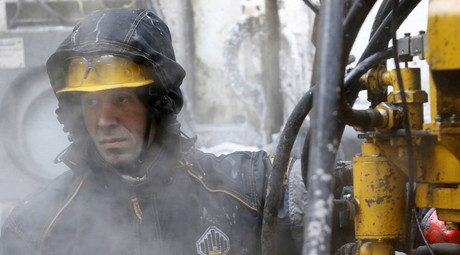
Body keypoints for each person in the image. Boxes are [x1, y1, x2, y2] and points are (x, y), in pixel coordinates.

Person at [0, 8, 307, 255]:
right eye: (91, 102)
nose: (104, 119)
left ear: (158, 105)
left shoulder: (248, 190)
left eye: (121, 99)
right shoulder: (34, 228)